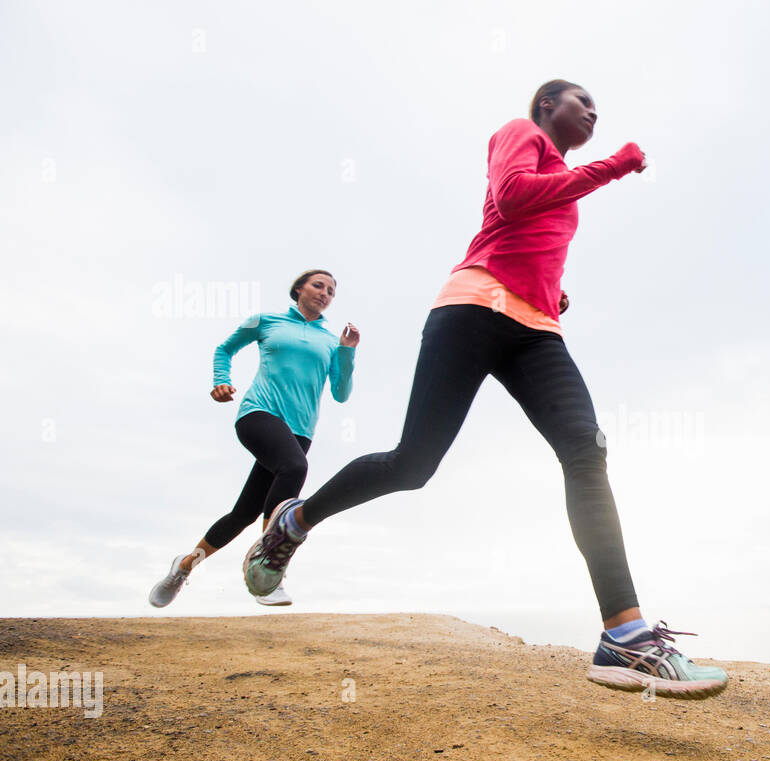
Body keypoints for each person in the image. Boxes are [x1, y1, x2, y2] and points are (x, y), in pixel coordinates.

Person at [242, 80, 726, 701]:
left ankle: (624, 637)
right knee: (413, 464)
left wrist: (551, 291)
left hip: (536, 330)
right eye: (584, 102)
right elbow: (515, 199)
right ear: (548, 106)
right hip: (472, 311)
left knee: (585, 449)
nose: (596, 113)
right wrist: (614, 168)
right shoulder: (519, 133)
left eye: (599, 109)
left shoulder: (563, 172)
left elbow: (528, 237)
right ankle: (295, 520)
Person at [149, 269, 359, 608]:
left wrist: (347, 352)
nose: (325, 293)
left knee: (243, 514)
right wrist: (221, 380)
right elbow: (224, 349)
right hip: (258, 413)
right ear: (299, 289)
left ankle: (183, 567)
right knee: (294, 468)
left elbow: (341, 393)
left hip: (300, 430)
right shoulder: (263, 320)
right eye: (318, 285)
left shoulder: (331, 341)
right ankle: (268, 565)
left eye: (331, 291)